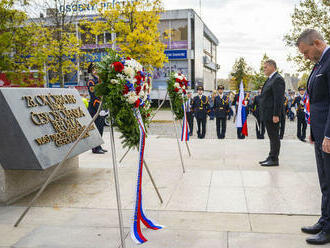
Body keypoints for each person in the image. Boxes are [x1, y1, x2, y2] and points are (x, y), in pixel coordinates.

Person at [296, 29, 330, 245]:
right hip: (319, 133)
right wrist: (313, 131)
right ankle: (325, 219)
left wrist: (328, 134)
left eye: (306, 52)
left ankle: (329, 229)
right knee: (325, 181)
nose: (305, 57)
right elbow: (316, 102)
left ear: (317, 43)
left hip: (328, 135)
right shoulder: (319, 64)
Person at [259, 59, 285, 166]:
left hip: (272, 114)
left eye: (265, 67)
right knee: (271, 136)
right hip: (267, 113)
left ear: (272, 67)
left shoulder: (277, 79)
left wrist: (276, 114)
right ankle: (271, 156)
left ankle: (274, 159)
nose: (264, 69)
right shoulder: (271, 79)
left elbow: (278, 99)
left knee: (274, 136)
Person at [86, 62, 107, 154]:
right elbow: (94, 96)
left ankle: (99, 146)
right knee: (96, 128)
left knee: (101, 127)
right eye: (94, 69)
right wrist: (100, 108)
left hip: (101, 107)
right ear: (91, 71)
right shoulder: (91, 81)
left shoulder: (100, 81)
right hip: (95, 107)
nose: (97, 70)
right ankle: (95, 148)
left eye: (98, 68)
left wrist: (105, 107)